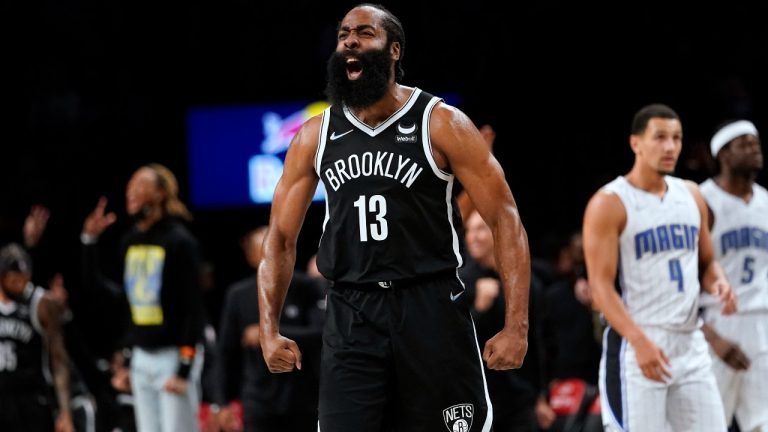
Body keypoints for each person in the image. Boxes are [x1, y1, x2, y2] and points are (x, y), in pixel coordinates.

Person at [257, 4, 530, 431]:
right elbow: (279, 239)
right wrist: (268, 328)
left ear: (394, 51)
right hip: (352, 311)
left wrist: (517, 326)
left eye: (364, 33)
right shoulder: (315, 134)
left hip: (430, 307)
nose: (350, 40)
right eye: (344, 33)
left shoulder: (440, 122)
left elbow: (505, 219)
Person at [582, 103, 737, 432]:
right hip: (636, 343)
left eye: (677, 138)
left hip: (689, 342)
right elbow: (600, 289)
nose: (670, 147)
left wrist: (719, 282)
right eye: (660, 137)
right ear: (635, 143)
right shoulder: (609, 203)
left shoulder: (691, 195)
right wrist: (639, 341)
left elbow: (707, 263)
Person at [80, 163, 206, 432]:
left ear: (160, 193)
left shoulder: (179, 241)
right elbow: (123, 302)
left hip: (172, 355)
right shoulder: (130, 241)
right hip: (141, 357)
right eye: (129, 187)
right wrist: (89, 242)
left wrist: (184, 368)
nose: (131, 192)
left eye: (139, 185)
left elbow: (193, 309)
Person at [213, 226, 324, 432]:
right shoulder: (238, 295)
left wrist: (270, 333)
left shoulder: (307, 286)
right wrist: (222, 402)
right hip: (258, 400)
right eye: (264, 249)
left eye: (276, 246)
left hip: (304, 398)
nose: (272, 253)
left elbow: (323, 332)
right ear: (252, 257)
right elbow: (225, 352)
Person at [699, 119, 768, 432]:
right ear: (723, 154)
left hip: (761, 322)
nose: (755, 148)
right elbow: (686, 278)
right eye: (745, 143)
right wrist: (710, 337)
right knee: (706, 425)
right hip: (716, 322)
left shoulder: (766, 201)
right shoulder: (701, 200)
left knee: (762, 424)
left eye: (756, 142)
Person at [460, 210, 555, 432]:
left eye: (480, 229)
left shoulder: (525, 283)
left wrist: (540, 395)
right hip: (479, 395)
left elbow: (538, 343)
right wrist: (479, 310)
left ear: (497, 233)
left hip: (520, 398)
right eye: (469, 230)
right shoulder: (462, 282)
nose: (473, 236)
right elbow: (454, 342)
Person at [0, 243, 74, 432]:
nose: (21, 284)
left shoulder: (41, 303)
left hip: (33, 399)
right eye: (15, 280)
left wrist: (65, 412)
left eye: (25, 279)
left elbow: (59, 360)